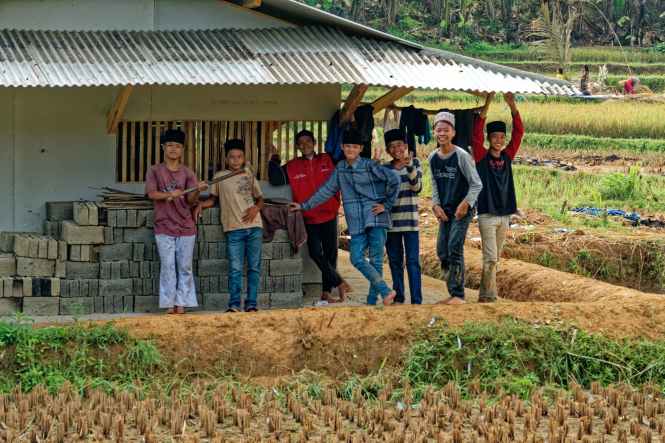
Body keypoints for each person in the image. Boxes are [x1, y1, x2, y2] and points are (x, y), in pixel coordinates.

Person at [289, 128, 400, 306]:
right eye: (347, 146)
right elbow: (326, 191)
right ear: (342, 147)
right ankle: (385, 291)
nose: (350, 150)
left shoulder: (370, 165)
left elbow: (394, 180)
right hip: (356, 222)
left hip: (375, 218)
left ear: (360, 148)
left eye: (354, 147)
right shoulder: (340, 168)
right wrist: (304, 206)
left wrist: (386, 205)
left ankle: (373, 300)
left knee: (376, 260)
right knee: (356, 258)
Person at [268, 130, 351, 303]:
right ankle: (339, 282)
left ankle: (327, 292)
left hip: (329, 214)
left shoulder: (328, 160)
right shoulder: (292, 166)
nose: (305, 145)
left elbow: (347, 160)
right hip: (309, 217)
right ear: (297, 146)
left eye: (308, 141)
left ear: (314, 142)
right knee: (315, 253)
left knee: (330, 255)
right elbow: (275, 179)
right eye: (301, 143)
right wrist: (273, 158)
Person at [197, 139, 264, 312]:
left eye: (239, 157)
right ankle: (234, 304)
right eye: (232, 157)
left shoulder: (248, 174)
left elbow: (260, 198)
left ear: (244, 158)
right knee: (235, 268)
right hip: (233, 229)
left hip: (254, 226)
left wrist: (256, 208)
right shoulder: (220, 176)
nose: (236, 160)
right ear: (226, 159)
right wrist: (198, 205)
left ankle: (251, 304)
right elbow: (212, 200)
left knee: (254, 268)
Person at [145, 128, 208, 314]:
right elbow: (151, 193)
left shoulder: (188, 173)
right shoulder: (155, 171)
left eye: (178, 146)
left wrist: (197, 189)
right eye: (170, 145)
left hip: (186, 226)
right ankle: (169, 303)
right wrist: (168, 195)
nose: (173, 149)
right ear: (163, 147)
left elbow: (190, 201)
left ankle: (182, 303)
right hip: (163, 225)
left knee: (185, 266)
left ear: (182, 150)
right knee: (167, 266)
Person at [472, 92, 524, 303]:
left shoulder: (507, 157)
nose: (499, 141)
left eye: (502, 138)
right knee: (490, 257)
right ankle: (489, 297)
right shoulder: (481, 156)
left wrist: (512, 106)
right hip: (487, 214)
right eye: (495, 137)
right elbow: (475, 134)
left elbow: (519, 133)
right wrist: (488, 102)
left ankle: (485, 295)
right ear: (489, 139)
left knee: (495, 259)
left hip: (505, 215)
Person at [428, 112, 483, 305]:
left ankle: (458, 294)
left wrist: (466, 203)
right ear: (434, 131)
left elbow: (476, 184)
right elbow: (434, 184)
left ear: (453, 133)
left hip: (463, 208)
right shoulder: (433, 157)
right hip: (446, 209)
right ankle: (453, 284)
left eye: (446, 130)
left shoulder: (461, 156)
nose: (442, 133)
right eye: (439, 129)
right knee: (442, 251)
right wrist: (435, 205)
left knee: (454, 248)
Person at [383, 128, 423, 304]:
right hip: (391, 223)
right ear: (387, 151)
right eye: (391, 146)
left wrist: (409, 166)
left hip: (411, 223)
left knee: (413, 262)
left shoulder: (415, 163)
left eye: (399, 145)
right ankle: (399, 296)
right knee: (394, 261)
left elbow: (417, 187)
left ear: (406, 146)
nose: (396, 149)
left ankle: (416, 300)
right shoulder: (384, 168)